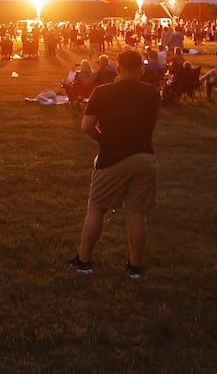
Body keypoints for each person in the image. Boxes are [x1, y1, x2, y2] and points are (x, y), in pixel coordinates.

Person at [69, 50, 161, 278]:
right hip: (144, 157)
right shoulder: (153, 94)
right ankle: (135, 266)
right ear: (141, 70)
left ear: (117, 70)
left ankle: (84, 261)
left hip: (112, 158)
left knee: (97, 208)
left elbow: (86, 126)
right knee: (136, 213)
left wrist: (103, 138)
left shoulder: (103, 92)